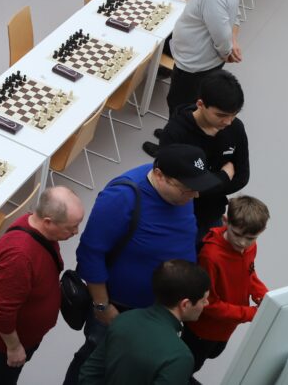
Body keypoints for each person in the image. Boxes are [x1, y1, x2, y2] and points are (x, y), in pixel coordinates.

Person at [62, 145, 221, 385]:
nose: (195, 195)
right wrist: (103, 306)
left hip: (161, 310)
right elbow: (90, 254)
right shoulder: (122, 197)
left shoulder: (182, 192)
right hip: (120, 307)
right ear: (159, 175)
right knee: (96, 355)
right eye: (188, 189)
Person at [0, 187, 85, 385]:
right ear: (48, 222)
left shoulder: (37, 228)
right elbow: (1, 312)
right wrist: (14, 348)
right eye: (71, 227)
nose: (75, 232)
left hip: (26, 335)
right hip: (6, 346)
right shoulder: (19, 258)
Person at [144, 70, 250, 245]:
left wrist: (200, 186)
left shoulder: (236, 128)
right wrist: (223, 177)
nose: (228, 122)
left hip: (211, 215)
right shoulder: (175, 133)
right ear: (200, 104)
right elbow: (174, 184)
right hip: (176, 213)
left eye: (234, 114)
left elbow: (242, 177)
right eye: (221, 115)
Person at [78, 260, 211, 385]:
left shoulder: (124, 319)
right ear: (185, 304)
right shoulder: (180, 357)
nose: (207, 303)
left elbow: (89, 373)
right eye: (203, 299)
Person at [184, 196, 269, 377]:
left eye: (250, 238)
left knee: (210, 356)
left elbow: (249, 273)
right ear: (225, 220)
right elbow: (208, 303)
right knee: (186, 369)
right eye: (237, 234)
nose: (242, 243)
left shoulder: (250, 248)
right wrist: (251, 313)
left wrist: (264, 296)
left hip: (226, 328)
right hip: (203, 331)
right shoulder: (210, 256)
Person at [165, 0, 242, 121]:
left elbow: (221, 34)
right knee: (181, 103)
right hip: (199, 61)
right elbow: (233, 14)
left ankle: (174, 137)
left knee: (179, 106)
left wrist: (226, 51)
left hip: (194, 66)